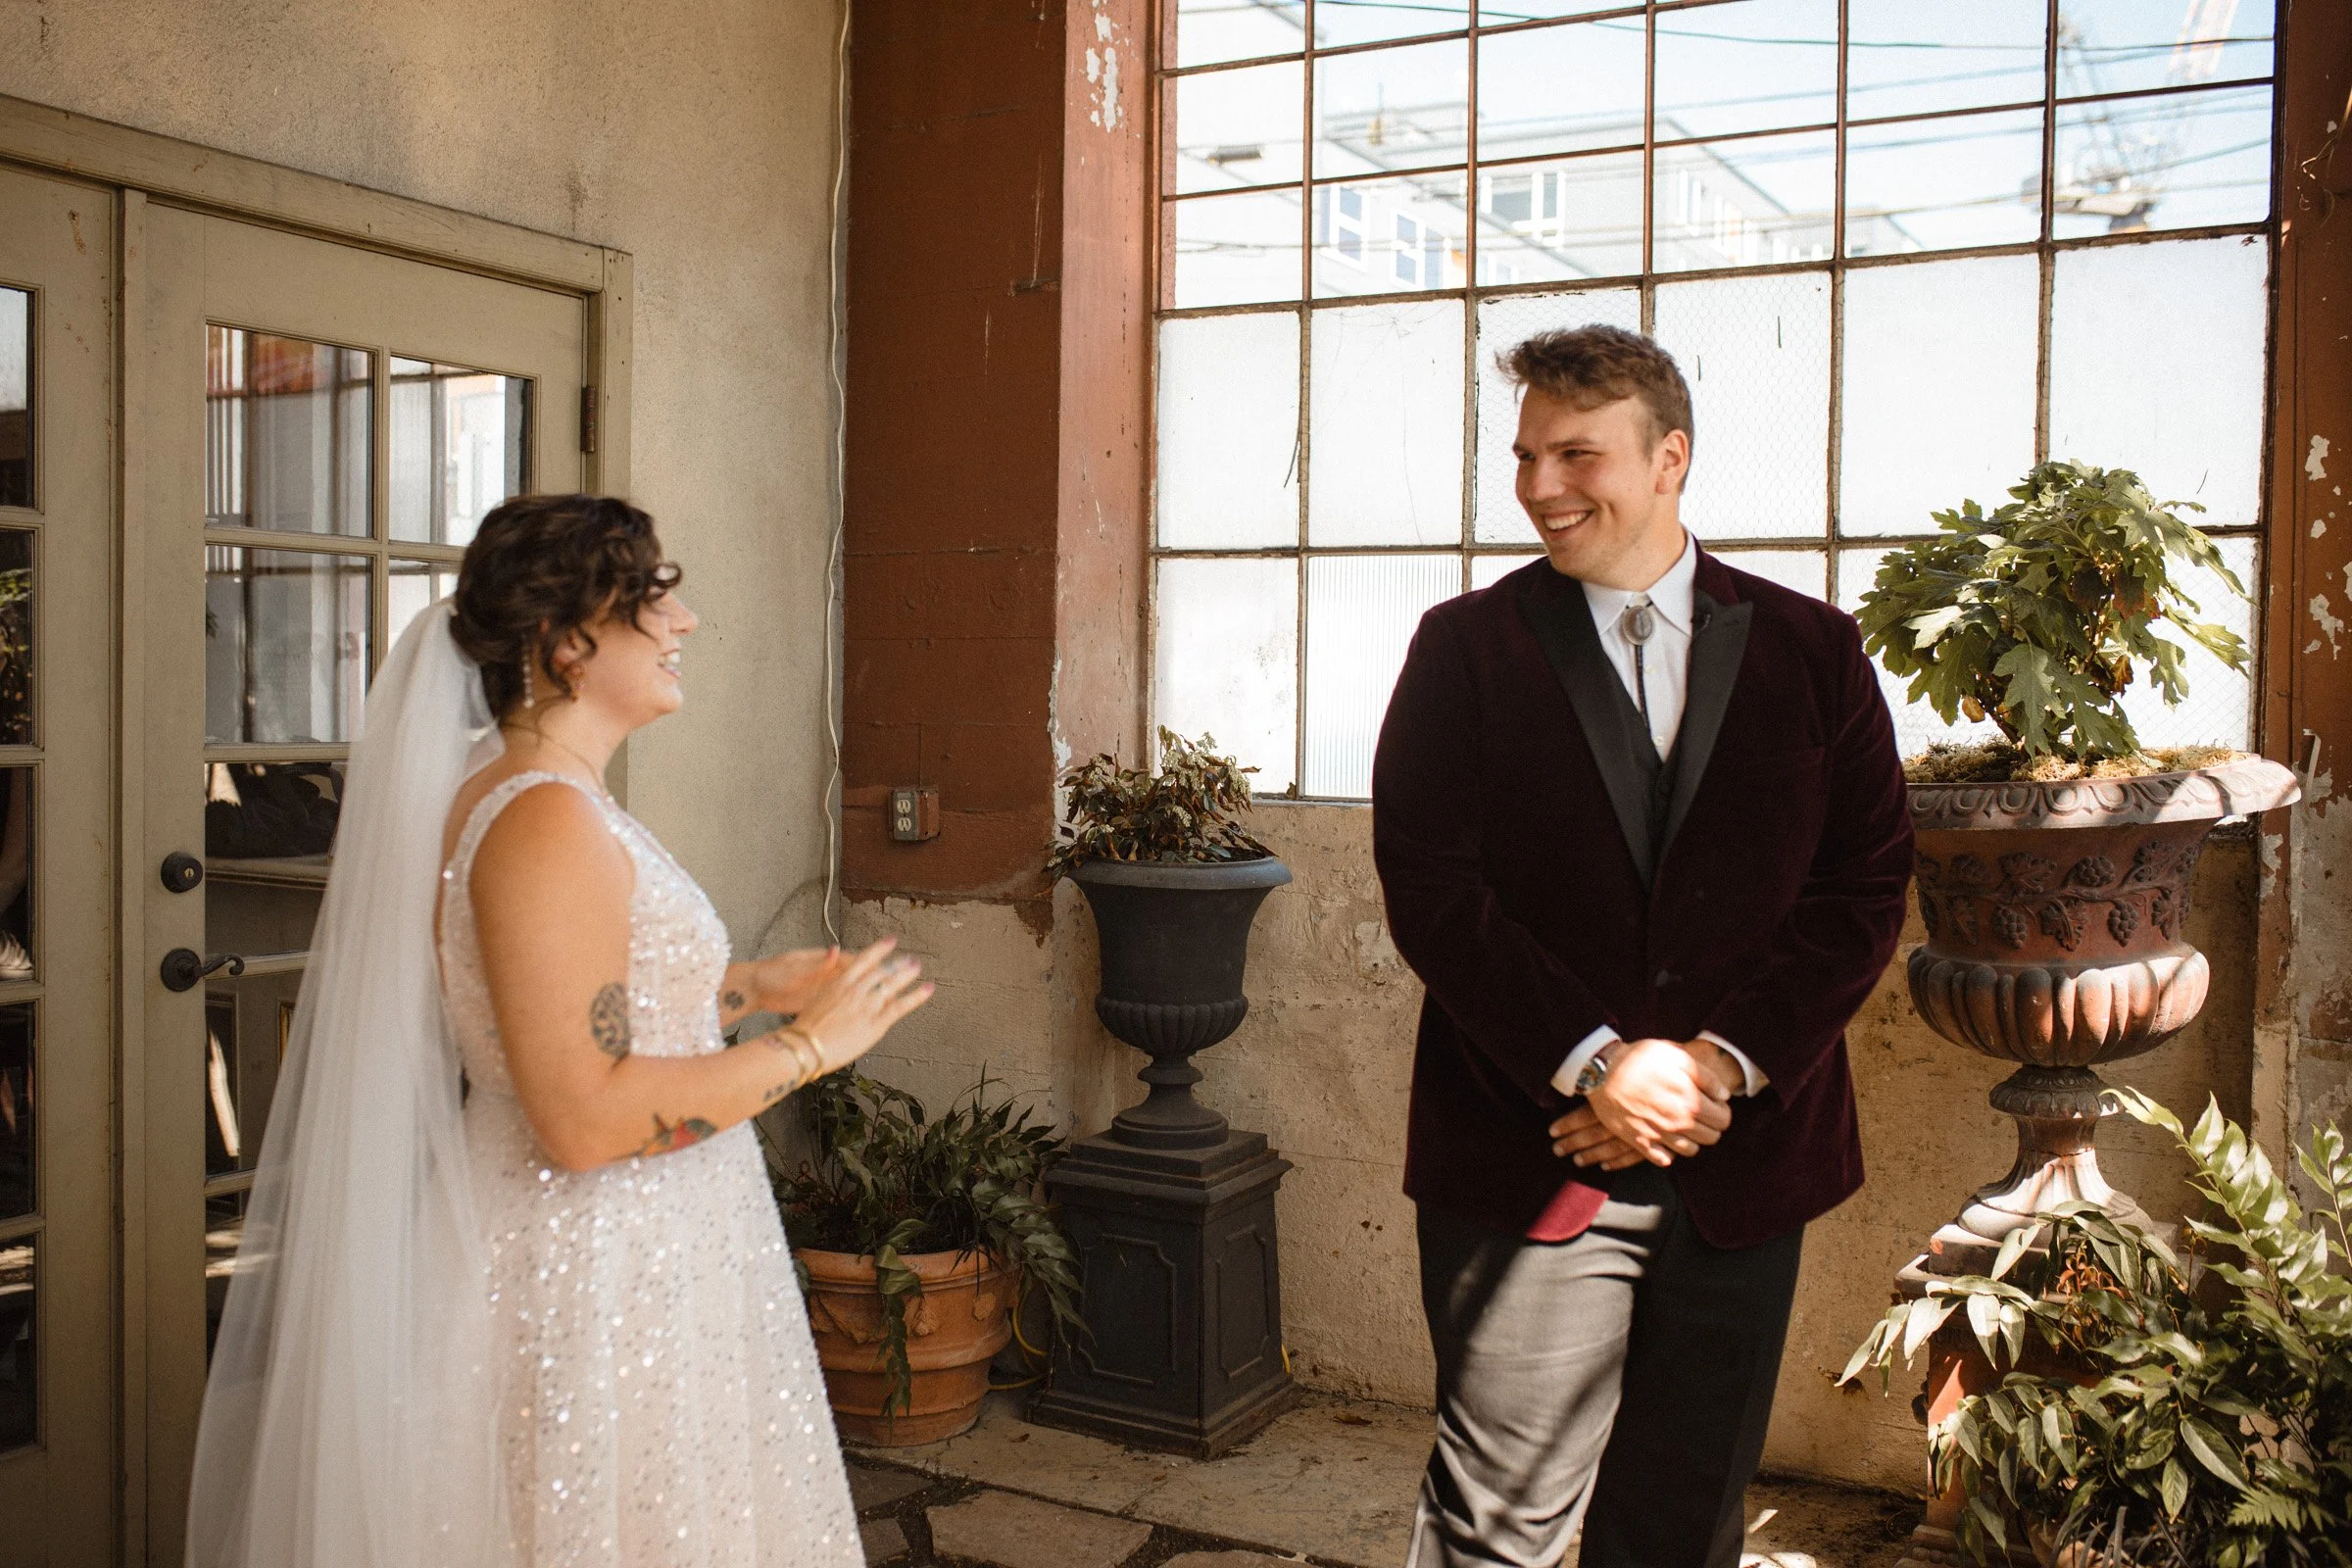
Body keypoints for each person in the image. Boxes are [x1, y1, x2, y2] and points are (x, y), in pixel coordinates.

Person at [186, 494, 931, 1568]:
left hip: (636, 1247)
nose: (684, 622)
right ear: (567, 641)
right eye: (655, 599)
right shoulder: (544, 818)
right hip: (591, 1267)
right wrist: (811, 1046)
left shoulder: (540, 797)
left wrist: (741, 989)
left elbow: (557, 1008)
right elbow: (581, 1118)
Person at [1372, 326, 1913, 1568]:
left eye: (1577, 454)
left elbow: (1863, 885)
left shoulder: (1817, 651)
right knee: (1492, 1531)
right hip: (1526, 1154)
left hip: (1743, 1162)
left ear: (1671, 458)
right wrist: (1599, 1066)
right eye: (1525, 455)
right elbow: (1435, 892)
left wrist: (1715, 1066)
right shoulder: (1461, 649)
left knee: (1681, 1528)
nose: (1539, 486)